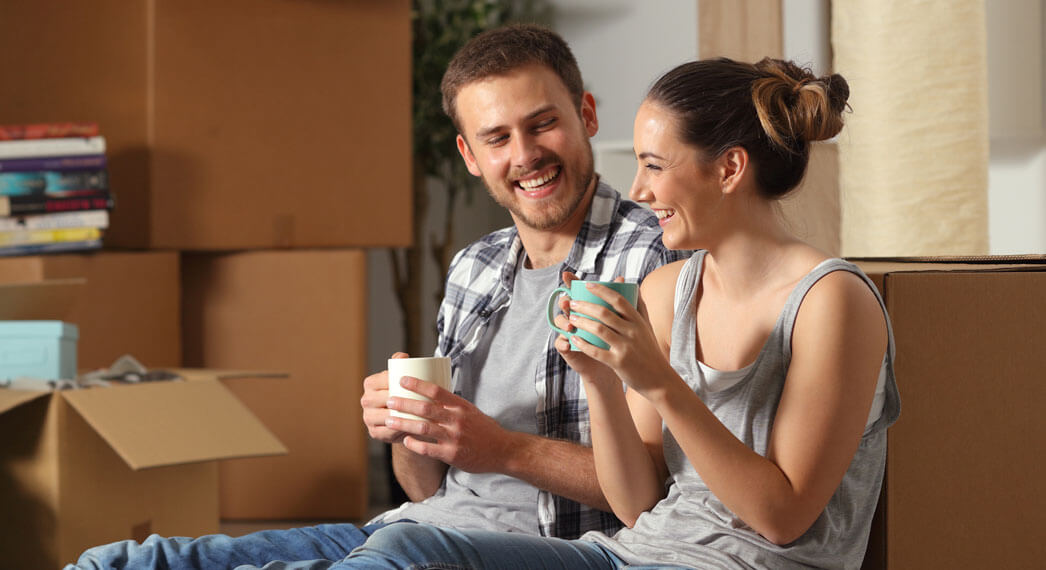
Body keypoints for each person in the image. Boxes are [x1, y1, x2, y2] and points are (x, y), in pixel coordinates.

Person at [66, 24, 682, 570]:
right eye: (496, 138)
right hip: (414, 531)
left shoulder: (655, 256)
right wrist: (405, 429)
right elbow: (424, 488)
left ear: (587, 116)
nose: (524, 156)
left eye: (542, 123)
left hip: (548, 547)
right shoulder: (476, 267)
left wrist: (503, 450)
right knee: (123, 561)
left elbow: (665, 485)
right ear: (469, 155)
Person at [329, 57, 902, 569]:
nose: (640, 189)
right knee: (406, 547)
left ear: (728, 170)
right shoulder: (669, 286)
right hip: (629, 552)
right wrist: (601, 380)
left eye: (654, 165)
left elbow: (782, 519)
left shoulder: (831, 300)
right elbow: (638, 505)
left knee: (414, 555)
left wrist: (659, 381)